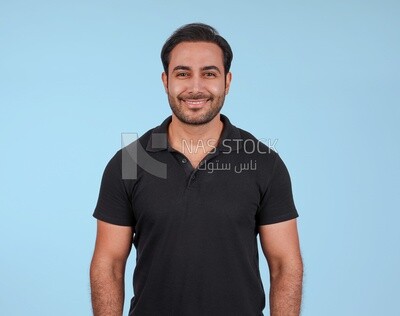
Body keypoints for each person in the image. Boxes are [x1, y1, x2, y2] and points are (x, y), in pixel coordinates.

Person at [90, 23, 303, 316]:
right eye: (183, 73)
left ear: (227, 81)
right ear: (166, 81)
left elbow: (285, 265)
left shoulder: (265, 164)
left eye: (209, 73)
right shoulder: (130, 161)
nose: (195, 87)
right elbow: (109, 265)